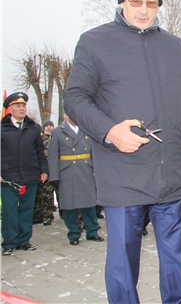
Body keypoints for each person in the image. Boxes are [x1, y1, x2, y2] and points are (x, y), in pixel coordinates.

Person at [63, 0, 181, 303]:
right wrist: (110, 131)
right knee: (123, 264)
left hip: (172, 172)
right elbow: (75, 97)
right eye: (135, 2)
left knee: (177, 261)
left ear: (158, 6)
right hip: (123, 171)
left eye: (151, 3)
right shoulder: (95, 41)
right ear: (122, 2)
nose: (143, 9)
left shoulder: (173, 45)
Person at [1, 92, 48, 255]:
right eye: (17, 106)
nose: (21, 109)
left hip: (30, 175)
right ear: (10, 110)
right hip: (8, 177)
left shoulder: (34, 128)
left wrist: (43, 170)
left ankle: (24, 240)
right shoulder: (2, 128)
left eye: (23, 106)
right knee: (9, 211)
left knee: (27, 209)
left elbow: (39, 151)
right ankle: (9, 242)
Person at [47, 114, 104, 245]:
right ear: (65, 115)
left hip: (86, 169)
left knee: (89, 203)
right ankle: (73, 233)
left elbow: (94, 152)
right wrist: (54, 176)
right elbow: (53, 155)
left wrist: (97, 171)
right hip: (67, 171)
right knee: (69, 205)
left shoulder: (87, 129)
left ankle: (92, 231)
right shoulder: (57, 131)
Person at [33, 120, 58, 225]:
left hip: (56, 169)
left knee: (60, 194)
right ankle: (43, 216)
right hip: (44, 169)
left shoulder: (56, 138)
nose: (49, 128)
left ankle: (62, 213)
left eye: (50, 125)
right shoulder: (40, 139)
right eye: (46, 126)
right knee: (44, 194)